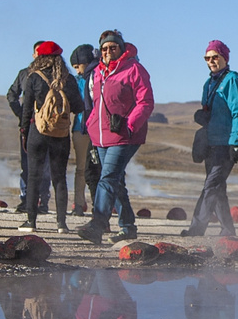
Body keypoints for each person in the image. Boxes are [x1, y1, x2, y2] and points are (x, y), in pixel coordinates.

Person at [78, 31, 154, 244]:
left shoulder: (134, 69)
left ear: (121, 48)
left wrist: (130, 124)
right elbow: (95, 105)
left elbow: (145, 101)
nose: (109, 52)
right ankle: (128, 227)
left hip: (126, 135)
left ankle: (98, 224)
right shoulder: (99, 72)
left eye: (113, 47)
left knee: (108, 177)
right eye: (104, 48)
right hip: (101, 136)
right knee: (116, 180)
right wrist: (91, 128)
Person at [10, 41, 84, 234]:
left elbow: (26, 108)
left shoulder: (34, 77)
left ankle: (31, 222)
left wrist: (24, 130)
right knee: (59, 178)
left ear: (41, 57)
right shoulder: (69, 80)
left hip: (38, 132)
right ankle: (61, 224)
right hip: (60, 134)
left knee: (33, 176)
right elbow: (78, 106)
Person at [183, 40, 238, 238]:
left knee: (210, 186)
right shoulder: (209, 83)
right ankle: (228, 230)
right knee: (218, 188)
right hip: (210, 143)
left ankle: (197, 229)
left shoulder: (232, 80)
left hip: (225, 144)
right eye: (207, 58)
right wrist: (202, 116)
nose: (211, 61)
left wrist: (236, 143)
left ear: (224, 58)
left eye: (215, 57)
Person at [69, 44, 98, 215]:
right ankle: (79, 203)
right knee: (81, 168)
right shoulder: (76, 81)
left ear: (85, 62)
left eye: (78, 66)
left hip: (95, 128)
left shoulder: (99, 77)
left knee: (95, 169)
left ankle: (98, 204)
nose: (77, 71)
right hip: (80, 127)